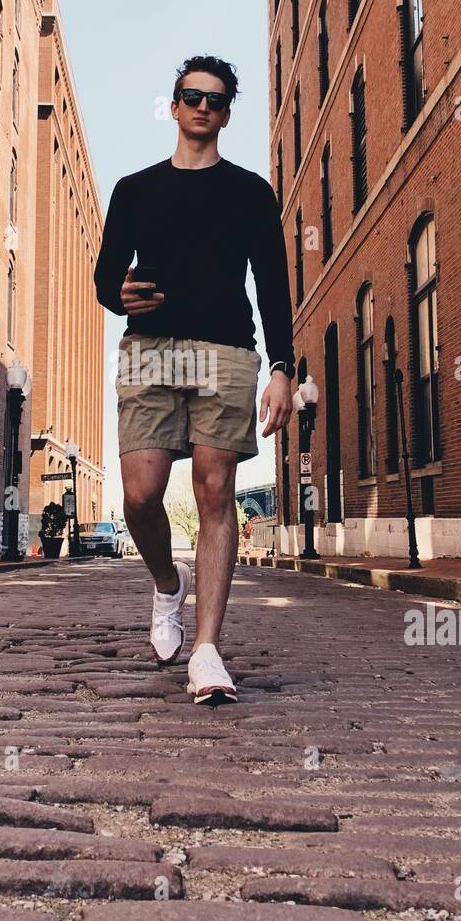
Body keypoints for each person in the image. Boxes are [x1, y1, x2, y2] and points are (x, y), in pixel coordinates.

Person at [93, 55, 294, 704]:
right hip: (151, 352)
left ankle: (206, 648)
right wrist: (116, 292)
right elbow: (105, 278)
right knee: (141, 495)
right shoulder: (136, 190)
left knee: (215, 492)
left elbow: (272, 283)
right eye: (191, 95)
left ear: (226, 112)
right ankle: (164, 584)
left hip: (228, 351)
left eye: (215, 98)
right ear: (175, 105)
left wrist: (283, 367)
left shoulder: (250, 193)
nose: (203, 106)